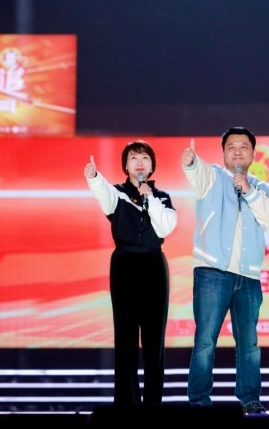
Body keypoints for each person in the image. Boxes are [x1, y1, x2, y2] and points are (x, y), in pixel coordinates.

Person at [181, 126, 269, 415]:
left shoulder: (263, 188)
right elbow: (197, 172)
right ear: (223, 152)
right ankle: (199, 401)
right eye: (232, 147)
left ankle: (250, 399)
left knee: (249, 344)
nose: (238, 152)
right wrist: (191, 162)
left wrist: (248, 190)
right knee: (205, 340)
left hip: (248, 276)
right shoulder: (213, 177)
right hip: (212, 271)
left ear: (253, 153)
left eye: (243, 147)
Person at [84, 140, 178, 406]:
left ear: (152, 166)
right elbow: (102, 192)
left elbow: (166, 227)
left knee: (154, 338)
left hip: (153, 266)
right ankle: (127, 403)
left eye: (145, 158)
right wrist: (94, 177)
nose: (139, 162)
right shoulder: (117, 194)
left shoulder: (161, 197)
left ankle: (152, 404)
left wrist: (150, 197)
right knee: (125, 336)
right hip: (124, 265)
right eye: (134, 158)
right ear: (125, 166)